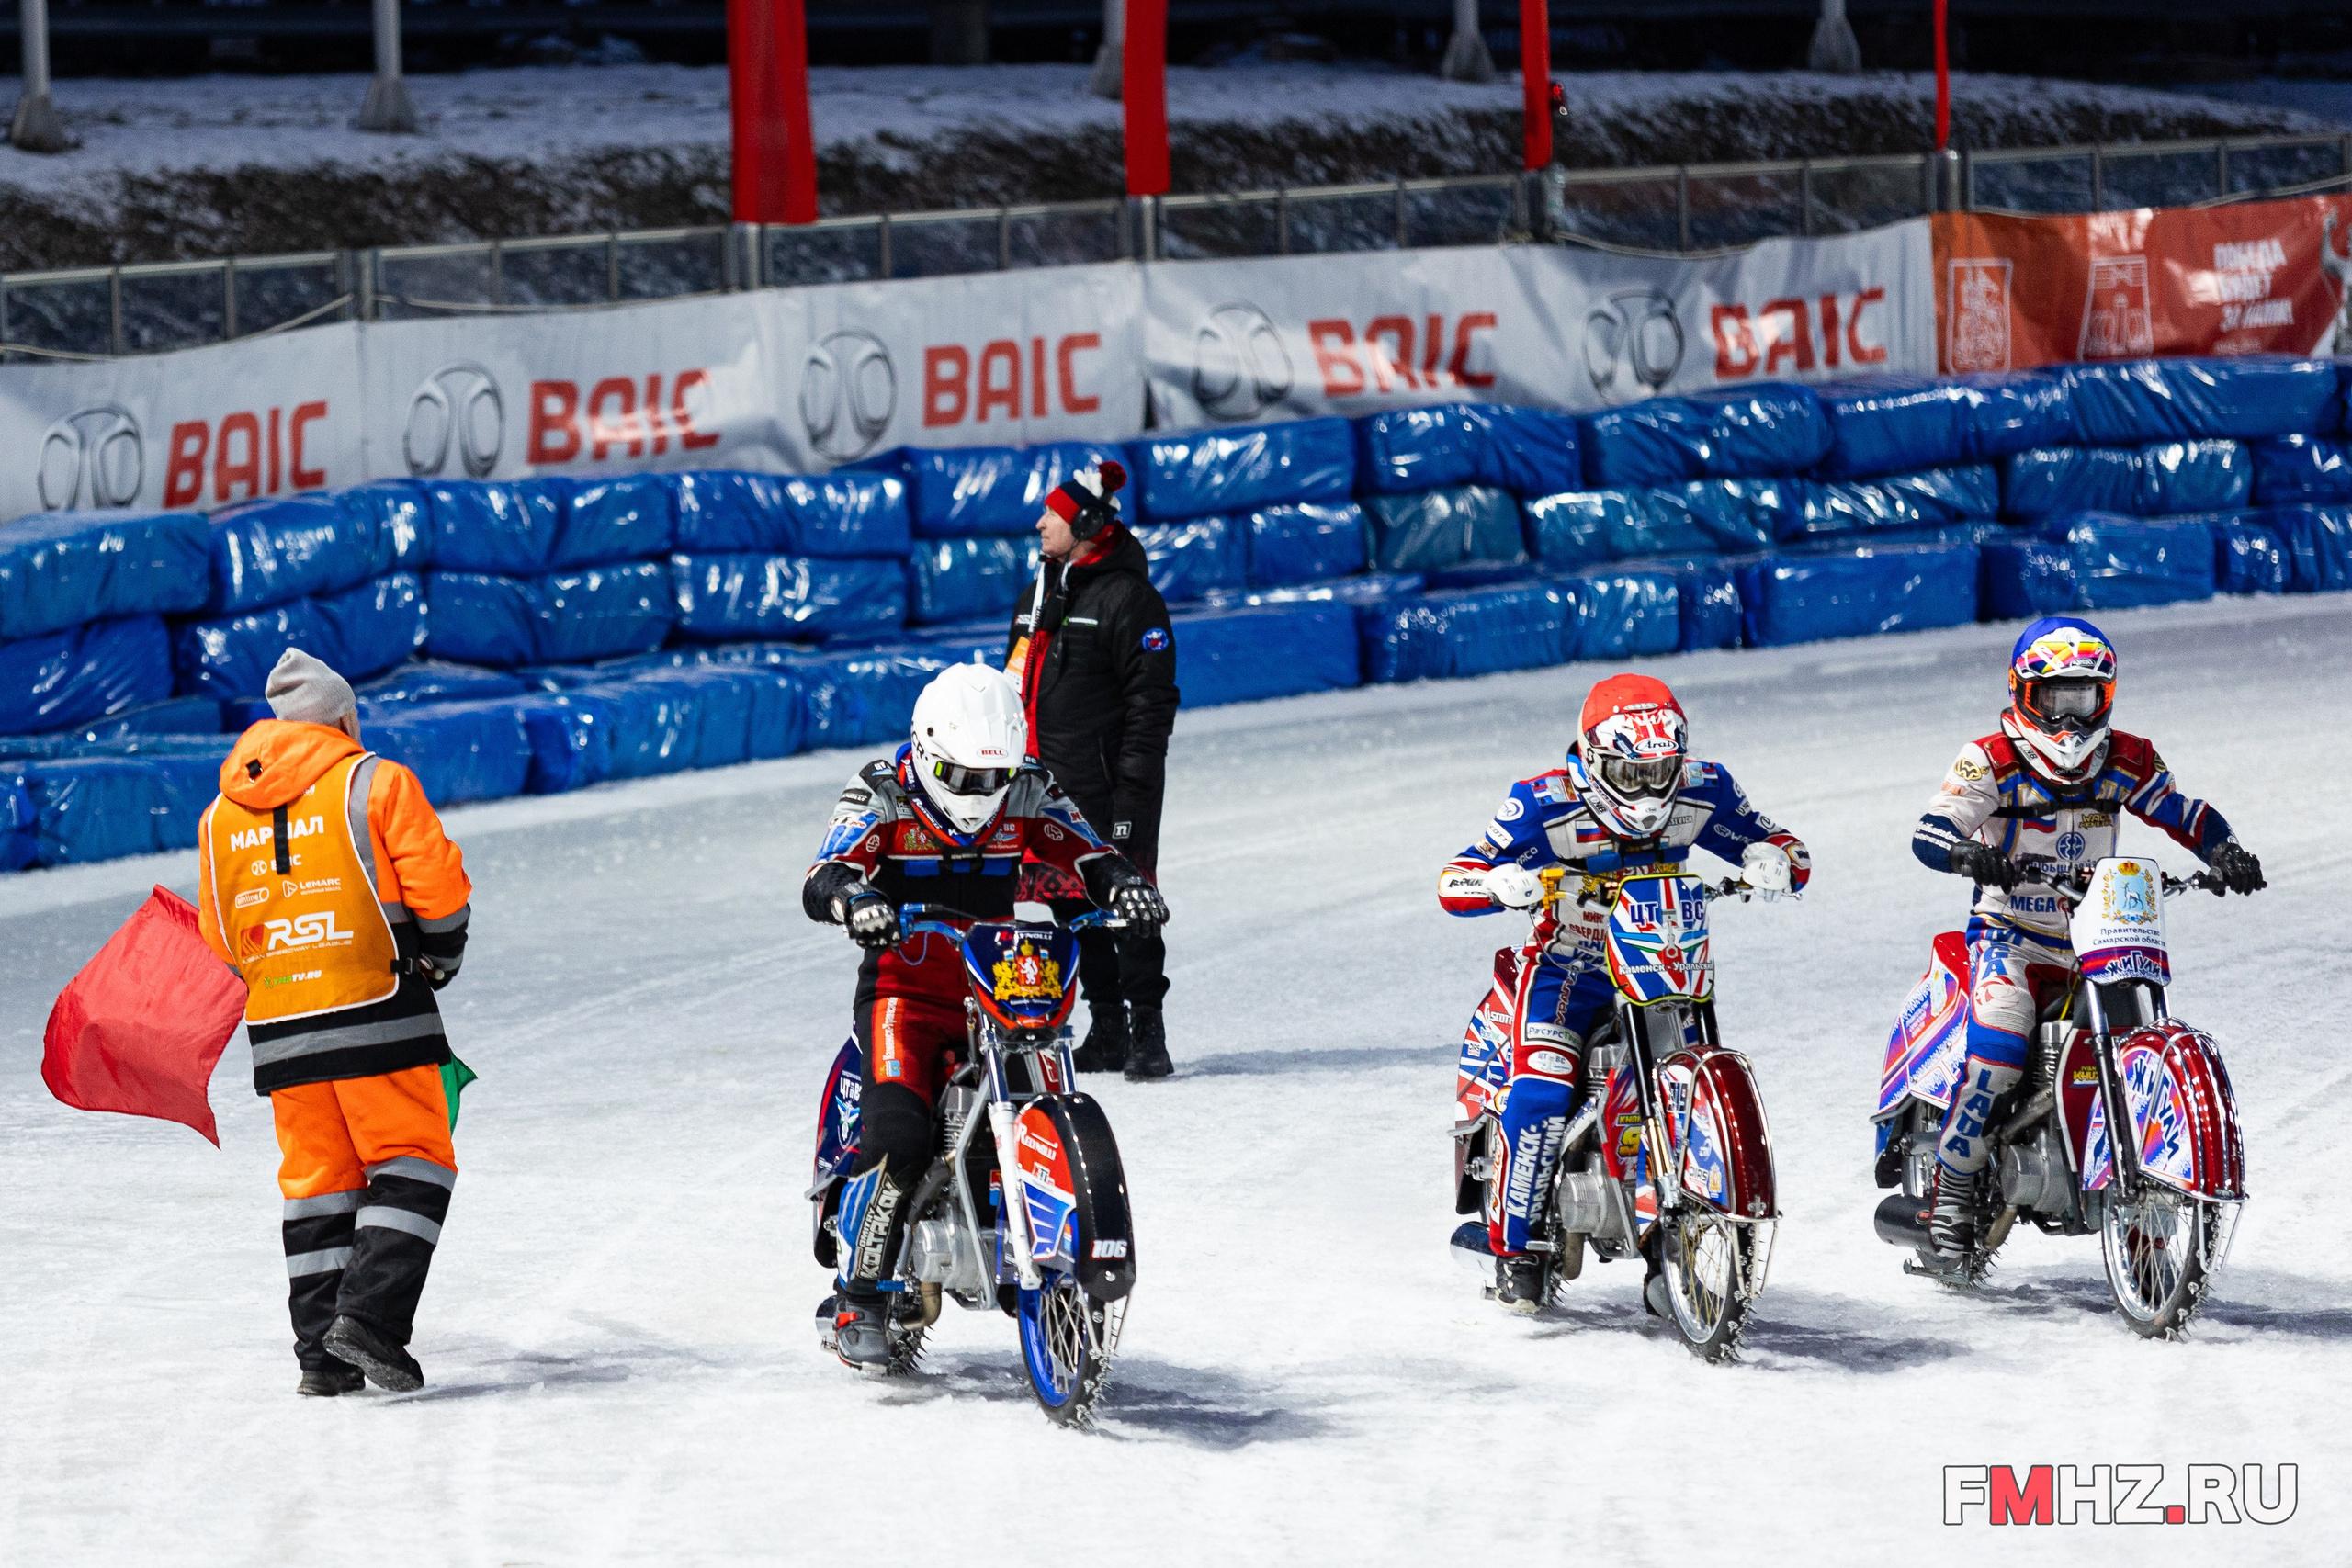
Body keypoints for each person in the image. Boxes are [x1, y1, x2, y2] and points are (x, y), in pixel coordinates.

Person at [802, 662, 1168, 1368]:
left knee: (1045, 1089)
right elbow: (824, 871)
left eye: (994, 779)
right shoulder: (881, 789)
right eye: (967, 778)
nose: (982, 796)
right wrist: (854, 897)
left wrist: (1120, 880)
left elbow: (1084, 848)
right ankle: (861, 1295)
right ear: (930, 754)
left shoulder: (1030, 785)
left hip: (999, 986)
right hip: (903, 998)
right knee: (898, 1137)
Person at [1437, 673, 1809, 1314]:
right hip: (1567, 971)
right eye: (1629, 773)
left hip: (1666, 968)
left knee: (1689, 1089)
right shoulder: (1542, 801)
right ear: (1593, 757)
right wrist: (1499, 885)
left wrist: (1772, 859)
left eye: (1659, 770)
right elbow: (1455, 877)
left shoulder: (1704, 787)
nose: (1645, 790)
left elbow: (1785, 845)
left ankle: (1672, 1243)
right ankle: (1517, 1250)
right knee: (1539, 1093)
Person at [1906, 616, 2263, 1258]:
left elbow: (2185, 814)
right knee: (1995, 1050)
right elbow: (1931, 830)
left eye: (2085, 699)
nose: (2070, 721)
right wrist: (1969, 855)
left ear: (2107, 697)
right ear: (2024, 693)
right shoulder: (1988, 759)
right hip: (2010, 935)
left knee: (2143, 1047)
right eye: (2055, 699)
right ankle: (1954, 1193)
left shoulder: (2129, 758)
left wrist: (2226, 850)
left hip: (2105, 932)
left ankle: (2144, 1219)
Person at [194, 649, 472, 1395]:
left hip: (281, 1030)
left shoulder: (219, 815)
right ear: (343, 719)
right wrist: (441, 954)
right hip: (379, 1011)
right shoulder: (375, 780)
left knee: (318, 1184)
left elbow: (220, 937)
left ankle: (321, 1357)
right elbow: (438, 890)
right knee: (414, 1161)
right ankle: (371, 1322)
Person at [1006, 460, 1181, 1081]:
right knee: (1072, 909)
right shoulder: (1037, 597)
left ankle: (1146, 1030)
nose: (1039, 522)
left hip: (1113, 786)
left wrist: (1133, 785)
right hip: (1048, 787)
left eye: (1051, 513)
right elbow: (1014, 684)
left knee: (1127, 902)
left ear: (1084, 521)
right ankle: (1105, 1025)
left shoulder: (1132, 600)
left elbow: (1152, 702)